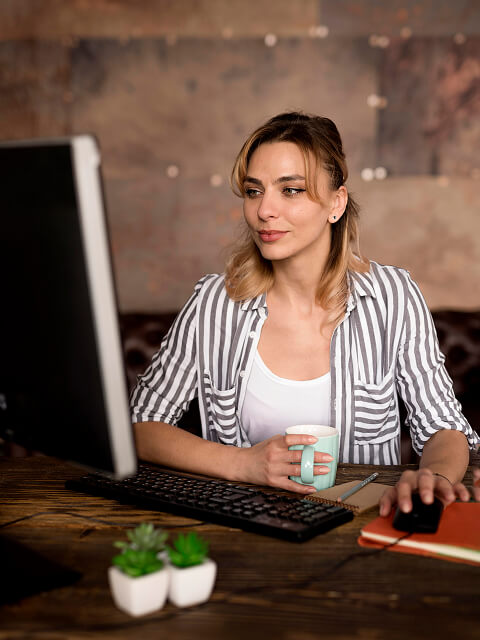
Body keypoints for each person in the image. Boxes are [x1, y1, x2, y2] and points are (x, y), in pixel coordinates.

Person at [131, 112, 479, 515]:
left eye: (291, 190)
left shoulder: (393, 296)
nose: (265, 210)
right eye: (253, 191)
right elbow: (140, 426)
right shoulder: (214, 302)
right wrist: (242, 464)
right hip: (241, 532)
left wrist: (433, 479)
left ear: (336, 203)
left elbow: (443, 427)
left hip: (361, 533)